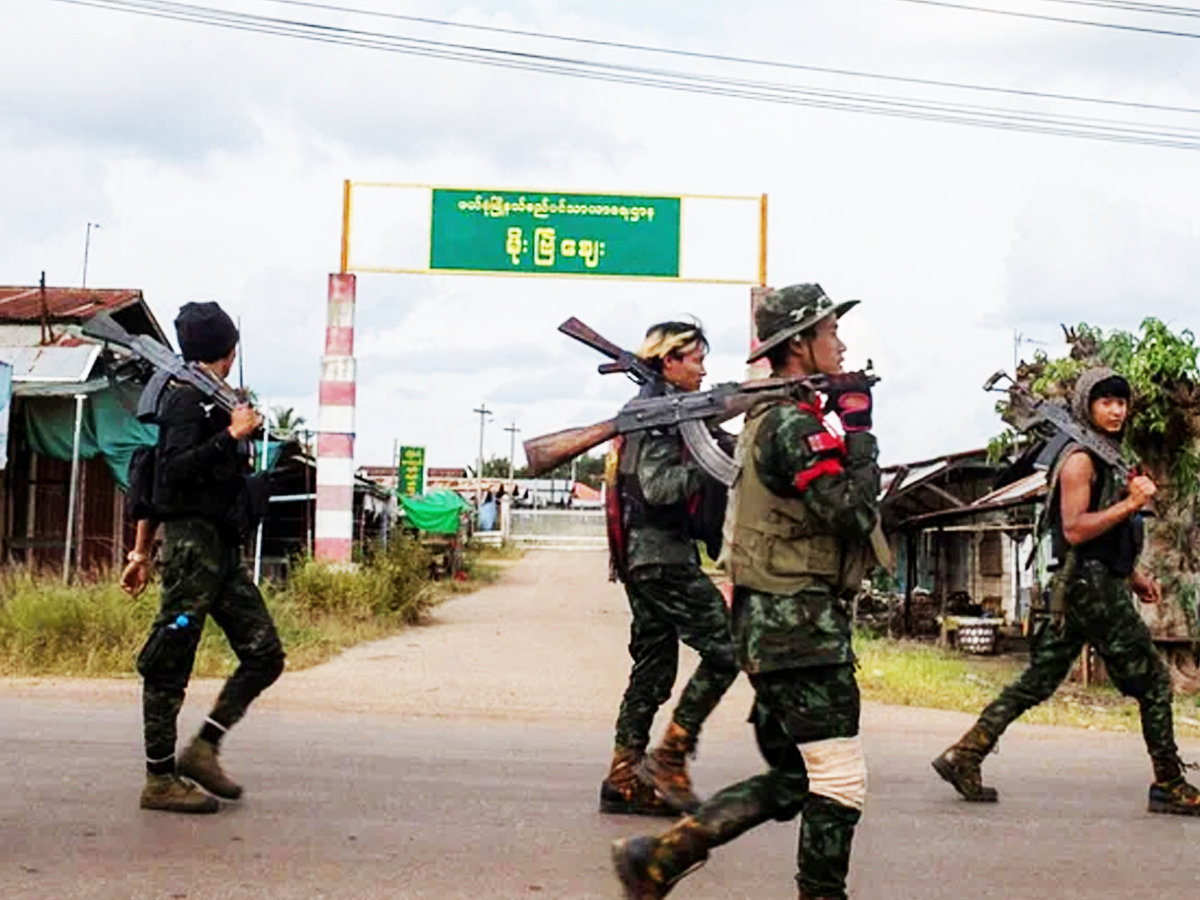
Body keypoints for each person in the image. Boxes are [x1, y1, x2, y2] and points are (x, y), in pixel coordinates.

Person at [612, 284, 883, 900]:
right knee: (838, 779)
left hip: (777, 628)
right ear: (799, 346)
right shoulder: (792, 425)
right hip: (799, 632)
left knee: (794, 779)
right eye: (829, 332)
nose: (840, 344)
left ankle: (658, 858)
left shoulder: (783, 418)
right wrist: (861, 428)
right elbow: (854, 514)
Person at [932, 367, 1200, 815]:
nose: (1116, 411)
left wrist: (1133, 576)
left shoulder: (1109, 455)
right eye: (1105, 402)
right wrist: (1132, 503)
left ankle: (966, 754)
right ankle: (1169, 783)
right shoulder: (1080, 459)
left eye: (1121, 402)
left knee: (1037, 680)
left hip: (1088, 583)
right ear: (1086, 406)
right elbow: (1075, 530)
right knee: (1153, 681)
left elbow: (1102, 535)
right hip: (1090, 588)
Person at [124, 301, 286, 814]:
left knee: (265, 654)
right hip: (192, 548)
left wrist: (234, 430)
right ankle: (158, 779)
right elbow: (166, 474)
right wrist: (230, 438)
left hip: (221, 550)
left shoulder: (218, 402)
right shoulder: (183, 401)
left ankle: (203, 749)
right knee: (169, 662)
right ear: (230, 351)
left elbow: (158, 477)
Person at [600, 321, 740, 818]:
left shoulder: (666, 411)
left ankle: (623, 776)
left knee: (654, 667)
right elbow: (659, 488)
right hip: (660, 557)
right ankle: (669, 758)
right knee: (729, 648)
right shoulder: (658, 416)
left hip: (644, 556)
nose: (703, 369)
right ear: (669, 361)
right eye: (696, 360)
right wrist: (719, 456)